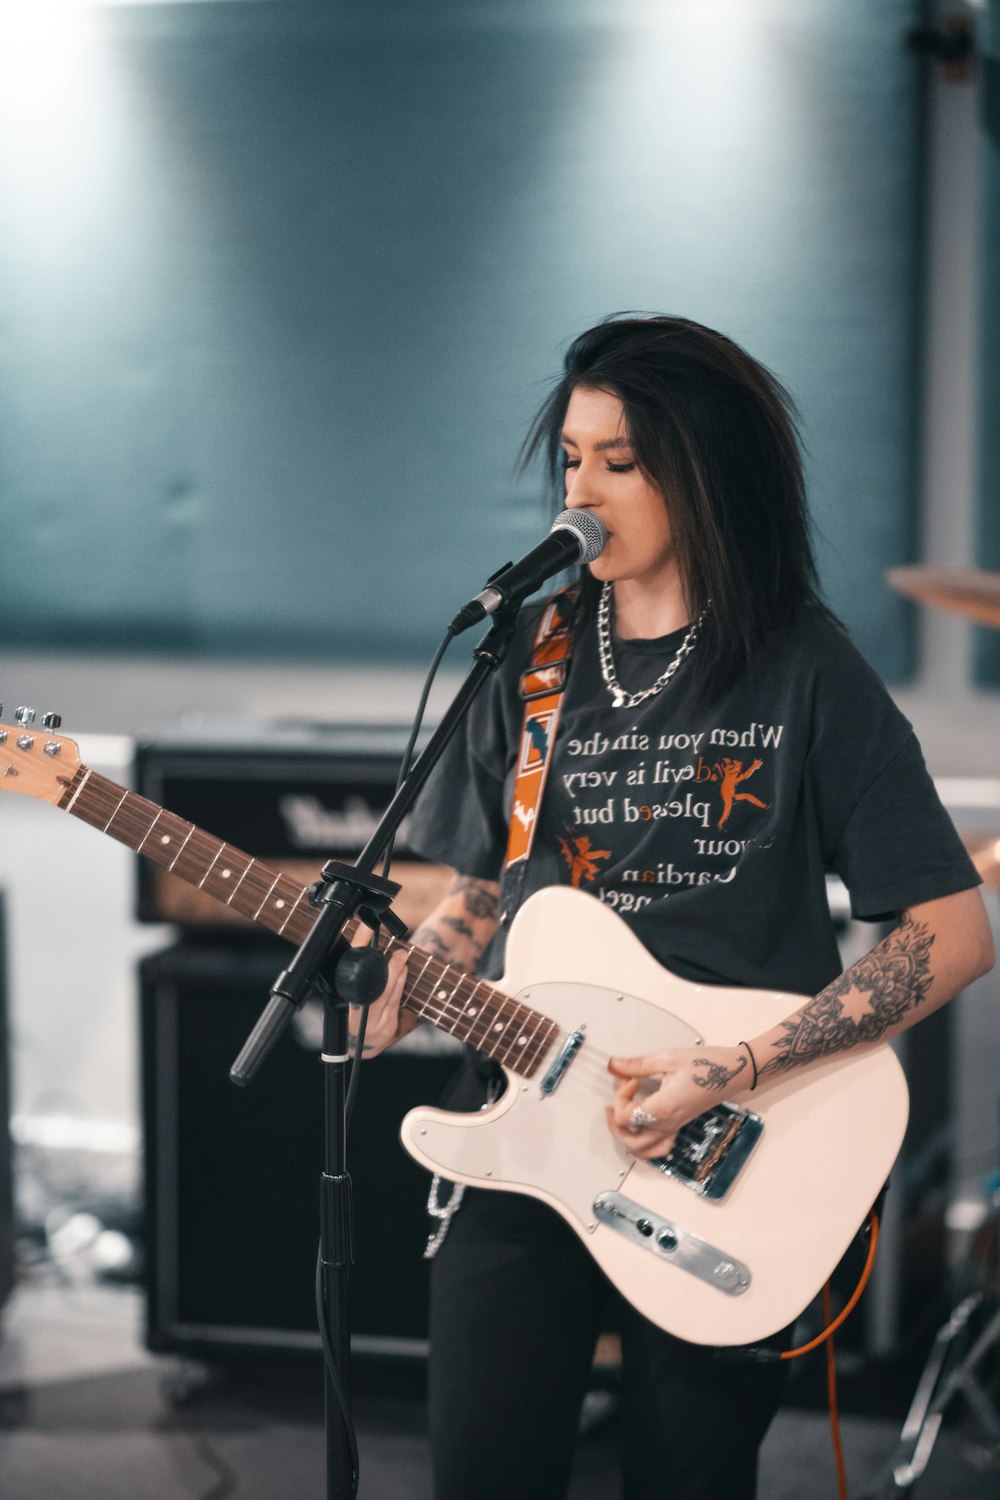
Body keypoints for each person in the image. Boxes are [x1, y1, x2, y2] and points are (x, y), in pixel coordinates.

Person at [349, 315, 994, 1500]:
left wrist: (736, 1067)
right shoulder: (531, 657)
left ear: (705, 473)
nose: (579, 492)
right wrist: (412, 974)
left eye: (619, 462)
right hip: (523, 1134)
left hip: (725, 1149)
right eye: (572, 460)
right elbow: (480, 892)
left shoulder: (805, 670)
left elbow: (949, 934)